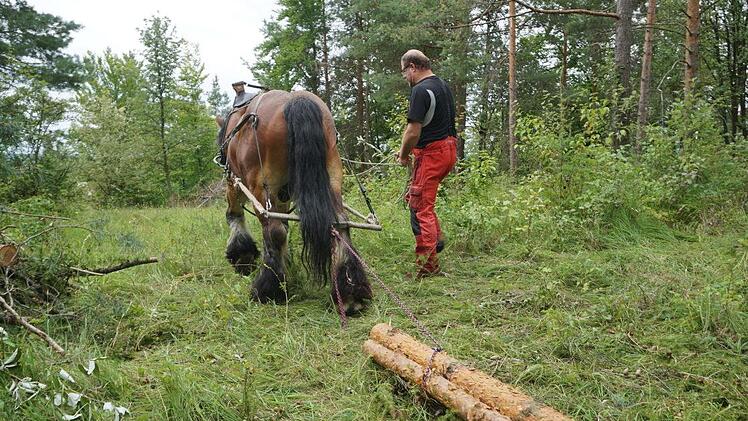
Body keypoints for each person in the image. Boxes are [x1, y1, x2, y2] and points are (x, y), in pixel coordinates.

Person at [396, 49, 457, 278]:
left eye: (404, 72)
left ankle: (427, 267)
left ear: (412, 66)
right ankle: (437, 241)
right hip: (448, 150)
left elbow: (413, 131)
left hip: (432, 155)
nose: (404, 77)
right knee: (423, 202)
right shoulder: (442, 85)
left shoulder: (420, 90)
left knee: (420, 207)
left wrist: (403, 155)